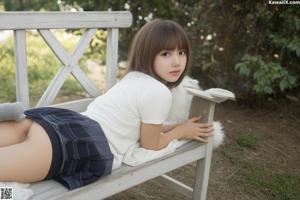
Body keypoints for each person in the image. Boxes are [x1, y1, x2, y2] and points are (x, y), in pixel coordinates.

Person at [0, 19, 214, 190]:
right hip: (80, 144)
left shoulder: (134, 77)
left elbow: (142, 126)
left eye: (181, 52)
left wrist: (176, 126)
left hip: (58, 122)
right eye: (166, 54)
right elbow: (151, 143)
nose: (177, 61)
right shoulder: (159, 92)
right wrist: (180, 132)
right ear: (148, 55)